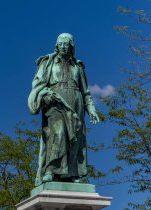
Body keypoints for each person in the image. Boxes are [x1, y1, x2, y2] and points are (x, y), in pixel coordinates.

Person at [28, 33, 99, 186]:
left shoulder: (78, 66)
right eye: (60, 43)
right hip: (55, 102)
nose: (62, 46)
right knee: (57, 133)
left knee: (75, 139)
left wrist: (91, 108)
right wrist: (43, 95)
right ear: (56, 45)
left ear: (71, 46)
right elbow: (38, 85)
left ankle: (71, 173)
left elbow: (85, 91)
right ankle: (50, 170)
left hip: (76, 102)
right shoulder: (49, 62)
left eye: (66, 44)